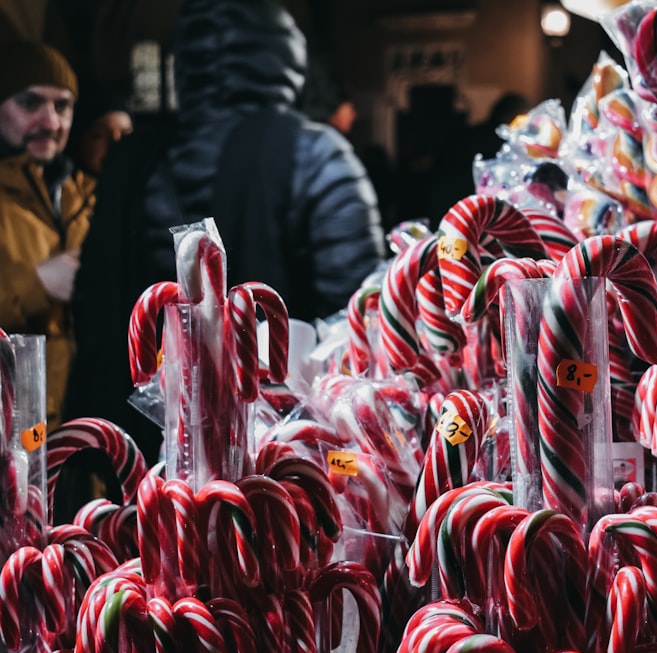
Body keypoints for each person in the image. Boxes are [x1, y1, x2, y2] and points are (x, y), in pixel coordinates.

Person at [66, 0, 386, 460]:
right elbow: (357, 323)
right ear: (283, 57)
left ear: (186, 62)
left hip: (135, 450)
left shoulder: (130, 162)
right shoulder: (316, 155)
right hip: (277, 452)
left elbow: (92, 305)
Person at [0, 42, 94, 428]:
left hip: (84, 425)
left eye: (62, 106)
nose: (51, 122)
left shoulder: (89, 195)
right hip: (14, 431)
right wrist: (37, 283)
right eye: (30, 103)